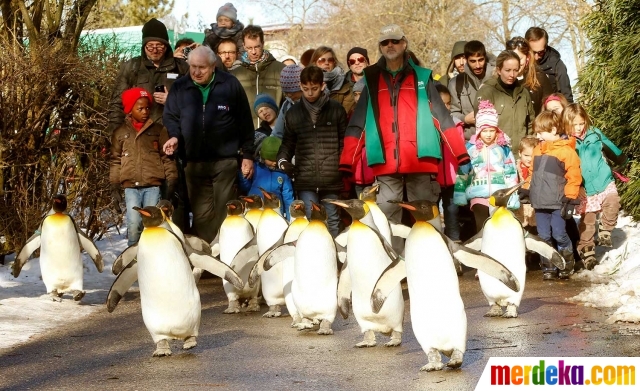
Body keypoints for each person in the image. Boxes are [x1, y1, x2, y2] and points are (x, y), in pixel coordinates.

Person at [339, 24, 470, 240]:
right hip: (385, 161)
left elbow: (442, 118)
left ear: (404, 43)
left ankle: (431, 264)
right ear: (380, 47)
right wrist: (347, 161)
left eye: (395, 41)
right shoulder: (371, 78)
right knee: (388, 221)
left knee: (426, 218)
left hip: (420, 159)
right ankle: (396, 267)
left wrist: (461, 154)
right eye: (385, 42)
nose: (390, 45)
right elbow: (358, 122)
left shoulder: (422, 76)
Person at [162, 46, 254, 242]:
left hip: (225, 160)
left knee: (225, 211)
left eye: (201, 67)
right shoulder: (180, 87)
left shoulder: (229, 85)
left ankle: (225, 255)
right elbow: (171, 116)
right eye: (193, 67)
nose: (196, 72)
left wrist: (247, 154)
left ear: (213, 66)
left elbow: (245, 122)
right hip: (193, 162)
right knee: (202, 215)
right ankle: (209, 257)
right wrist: (175, 136)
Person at [277, 66, 347, 237]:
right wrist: (283, 161)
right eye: (305, 88)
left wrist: (342, 167)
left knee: (332, 219)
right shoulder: (293, 113)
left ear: (322, 86)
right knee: (312, 220)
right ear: (300, 86)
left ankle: (338, 256)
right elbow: (288, 143)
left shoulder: (336, 109)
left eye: (314, 89)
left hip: (331, 177)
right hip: (305, 178)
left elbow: (344, 142)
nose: (310, 93)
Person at [110, 87, 178, 246]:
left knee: (153, 223)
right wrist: (114, 186)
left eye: (147, 107)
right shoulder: (120, 133)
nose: (145, 111)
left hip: (152, 186)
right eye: (140, 108)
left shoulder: (158, 130)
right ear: (129, 110)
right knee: (134, 224)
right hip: (131, 187)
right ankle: (134, 257)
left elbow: (167, 158)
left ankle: (153, 253)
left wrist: (172, 181)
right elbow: (115, 161)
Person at [564, 103, 626, 270]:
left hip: (603, 180)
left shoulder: (595, 134)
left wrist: (622, 160)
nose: (578, 128)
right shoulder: (566, 143)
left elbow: (610, 146)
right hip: (584, 187)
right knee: (587, 221)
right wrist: (575, 186)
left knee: (613, 202)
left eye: (581, 123)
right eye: (574, 124)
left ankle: (605, 229)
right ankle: (587, 249)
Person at [107, 18, 189, 135]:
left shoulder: (182, 68)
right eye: (150, 46)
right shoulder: (132, 67)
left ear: (166, 46)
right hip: (137, 136)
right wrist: (115, 136)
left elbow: (195, 103)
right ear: (144, 46)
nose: (155, 50)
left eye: (159, 45)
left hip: (172, 135)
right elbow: (116, 105)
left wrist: (172, 101)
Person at [526, 111, 581, 280]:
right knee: (543, 236)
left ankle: (566, 263)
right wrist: (528, 189)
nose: (538, 135)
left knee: (559, 233)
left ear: (554, 130)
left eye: (541, 132)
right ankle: (549, 267)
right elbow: (531, 174)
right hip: (540, 202)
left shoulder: (566, 151)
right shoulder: (537, 151)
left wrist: (570, 198)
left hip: (558, 202)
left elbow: (574, 176)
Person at [454, 100, 520, 232]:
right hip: (477, 194)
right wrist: (459, 193)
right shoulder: (470, 149)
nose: (489, 134)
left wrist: (512, 195)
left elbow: (511, 172)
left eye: (492, 130)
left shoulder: (503, 148)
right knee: (482, 227)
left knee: (498, 228)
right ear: (479, 130)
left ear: (496, 130)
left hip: (499, 195)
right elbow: (463, 172)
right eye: (485, 131)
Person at [475, 50, 535, 151]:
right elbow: (481, 128)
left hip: (521, 155)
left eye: (515, 70)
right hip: (497, 155)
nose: (512, 74)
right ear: (499, 70)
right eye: (507, 70)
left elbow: (531, 124)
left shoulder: (523, 93)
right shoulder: (487, 92)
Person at [232, 25, 285, 127]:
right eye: (249, 48)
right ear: (243, 46)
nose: (253, 52)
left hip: (275, 133)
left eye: (257, 47)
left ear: (263, 44)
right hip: (246, 134)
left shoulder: (281, 70)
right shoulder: (235, 74)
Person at [448, 41, 495, 140]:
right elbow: (451, 113)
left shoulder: (497, 78)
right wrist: (464, 119)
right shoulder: (455, 83)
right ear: (466, 60)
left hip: (496, 141)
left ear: (485, 58)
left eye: (480, 60)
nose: (477, 65)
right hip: (470, 142)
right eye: (473, 61)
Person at [238, 136, 294, 217]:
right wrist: (243, 176)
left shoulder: (283, 173)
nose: (274, 163)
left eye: (277, 160)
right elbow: (245, 187)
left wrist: (290, 218)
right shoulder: (255, 168)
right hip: (254, 209)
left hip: (276, 211)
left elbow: (288, 196)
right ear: (263, 157)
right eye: (271, 160)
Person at [506, 37, 553, 115]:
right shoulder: (497, 81)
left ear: (527, 58)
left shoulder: (540, 78)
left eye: (519, 59)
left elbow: (549, 107)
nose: (515, 63)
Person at [525, 27, 574, 103]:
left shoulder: (557, 65)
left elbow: (567, 98)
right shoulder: (521, 64)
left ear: (546, 47)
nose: (536, 57)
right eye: (533, 52)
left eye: (540, 52)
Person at [310, 46, 355, 115]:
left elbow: (344, 114)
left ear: (334, 62)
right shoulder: (307, 84)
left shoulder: (345, 86)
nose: (326, 63)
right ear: (315, 62)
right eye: (322, 60)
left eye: (330, 60)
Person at [350, 78, 374, 198]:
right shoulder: (350, 115)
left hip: (373, 170)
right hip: (356, 173)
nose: (358, 98)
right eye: (356, 94)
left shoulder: (376, 114)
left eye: (362, 94)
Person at [272, 65, 304, 139]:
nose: (289, 95)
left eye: (293, 92)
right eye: (286, 92)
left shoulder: (314, 104)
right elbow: (277, 133)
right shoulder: (286, 105)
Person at [514, 136, 538, 228]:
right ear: (520, 153)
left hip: (534, 211)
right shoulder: (515, 169)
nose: (529, 159)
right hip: (519, 209)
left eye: (532, 156)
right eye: (526, 155)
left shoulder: (538, 169)